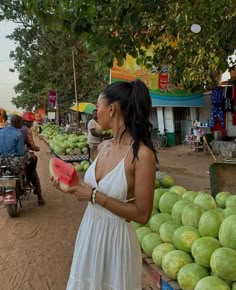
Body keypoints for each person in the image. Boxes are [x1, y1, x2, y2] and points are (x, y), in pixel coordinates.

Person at [52, 80, 157, 290]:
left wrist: (93, 196)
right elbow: (92, 191)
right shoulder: (102, 147)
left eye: (97, 106)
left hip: (117, 242)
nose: (95, 112)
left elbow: (142, 215)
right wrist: (72, 186)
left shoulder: (142, 155)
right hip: (89, 232)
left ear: (111, 109)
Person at [20, 112, 45, 206]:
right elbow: (31, 144)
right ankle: (39, 197)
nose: (31, 124)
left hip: (10, 157)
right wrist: (36, 148)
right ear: (25, 121)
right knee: (33, 171)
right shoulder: (26, 130)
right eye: (30, 122)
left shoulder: (14, 129)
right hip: (23, 155)